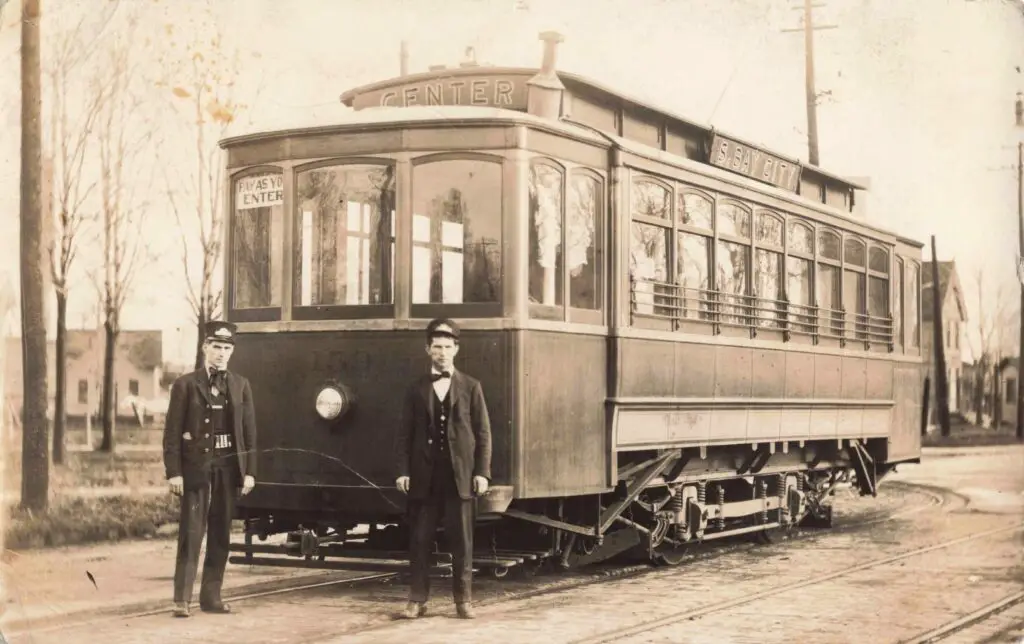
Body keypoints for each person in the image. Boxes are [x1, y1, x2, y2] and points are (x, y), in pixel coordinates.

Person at [395, 318, 492, 620]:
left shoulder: (471, 387)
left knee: (461, 542)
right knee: (420, 540)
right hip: (425, 478)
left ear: (456, 350)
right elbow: (404, 435)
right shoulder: (415, 389)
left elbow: (484, 433)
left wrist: (482, 473)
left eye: (448, 347)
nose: (442, 352)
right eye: (437, 347)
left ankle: (463, 600)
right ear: (428, 350)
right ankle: (416, 599)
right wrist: (403, 471)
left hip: (459, 477)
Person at [163, 320, 257, 618]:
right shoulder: (186, 384)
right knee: (192, 534)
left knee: (221, 534)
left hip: (228, 469)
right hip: (196, 469)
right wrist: (174, 472)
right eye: (216, 347)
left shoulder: (241, 385)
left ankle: (211, 596)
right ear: (205, 348)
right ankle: (182, 599)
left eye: (227, 348)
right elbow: (172, 433)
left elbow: (250, 433)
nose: (221, 353)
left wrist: (250, 472)